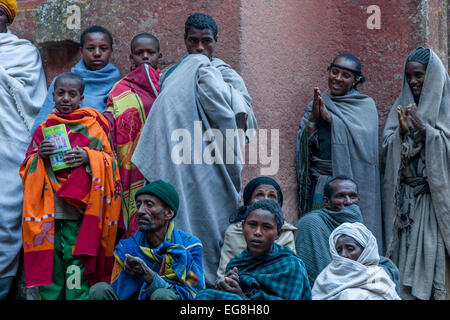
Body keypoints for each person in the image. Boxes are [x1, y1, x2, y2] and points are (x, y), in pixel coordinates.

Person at [132, 13, 257, 288]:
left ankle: (212, 283)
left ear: (216, 41)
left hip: (216, 167)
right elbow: (165, 116)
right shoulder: (171, 76)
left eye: (206, 42)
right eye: (194, 41)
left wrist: (209, 77)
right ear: (185, 41)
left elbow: (242, 116)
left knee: (214, 224)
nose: (200, 49)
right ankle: (179, 284)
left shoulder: (228, 75)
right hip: (176, 164)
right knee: (178, 219)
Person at [20, 72, 121, 299]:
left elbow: (111, 164)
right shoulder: (43, 129)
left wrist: (89, 158)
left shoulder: (93, 127)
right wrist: (40, 156)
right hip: (49, 214)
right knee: (52, 268)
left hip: (80, 213)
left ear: (81, 98)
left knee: (77, 265)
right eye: (61, 93)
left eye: (72, 94)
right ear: (53, 96)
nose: (66, 99)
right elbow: (26, 168)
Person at [381, 47, 450, 300]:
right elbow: (387, 148)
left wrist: (425, 131)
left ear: (432, 77)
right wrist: (400, 134)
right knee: (402, 259)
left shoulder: (447, 108)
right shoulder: (400, 108)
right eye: (409, 76)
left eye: (419, 75)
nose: (413, 81)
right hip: (404, 206)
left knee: (433, 259)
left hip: (433, 205)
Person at [296, 53, 383, 250]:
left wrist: (331, 121)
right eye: (334, 72)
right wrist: (313, 120)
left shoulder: (365, 106)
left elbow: (365, 149)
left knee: (352, 240)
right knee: (322, 238)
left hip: (350, 190)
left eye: (345, 75)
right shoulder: (317, 104)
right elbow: (306, 149)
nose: (337, 78)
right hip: (322, 185)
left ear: (355, 81)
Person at [0, 0, 47, 299]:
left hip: (9, 145)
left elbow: (33, 101)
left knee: (6, 217)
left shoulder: (24, 52)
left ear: (5, 16)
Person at [89, 180, 205, 300]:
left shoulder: (189, 246)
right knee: (99, 290)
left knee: (162, 295)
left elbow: (194, 291)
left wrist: (150, 276)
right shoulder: (127, 248)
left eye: (149, 205)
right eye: (138, 205)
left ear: (169, 213)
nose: (140, 211)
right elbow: (118, 290)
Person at [294, 176, 400, 291]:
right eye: (340, 196)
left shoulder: (356, 226)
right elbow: (326, 274)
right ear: (326, 202)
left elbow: (369, 259)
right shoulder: (312, 223)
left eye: (352, 196)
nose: (348, 202)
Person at [103, 33, 162, 237]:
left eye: (150, 53)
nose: (145, 57)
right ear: (131, 58)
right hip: (131, 166)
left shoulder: (168, 85)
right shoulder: (119, 89)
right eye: (139, 53)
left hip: (163, 162)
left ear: (159, 56)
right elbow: (109, 124)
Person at [196, 199, 311, 300]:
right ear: (243, 228)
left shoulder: (291, 266)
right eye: (252, 225)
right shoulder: (236, 263)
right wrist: (223, 287)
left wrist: (242, 296)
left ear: (278, 234)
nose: (257, 232)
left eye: (266, 227)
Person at [32, 25, 121, 133]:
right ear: (81, 51)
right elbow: (41, 126)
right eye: (90, 48)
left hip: (102, 146)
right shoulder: (63, 83)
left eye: (103, 48)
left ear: (111, 50)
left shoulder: (120, 86)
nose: (97, 53)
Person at [217, 176, 297, 279]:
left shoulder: (285, 232)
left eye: (272, 196)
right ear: (248, 204)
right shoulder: (234, 232)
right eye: (260, 194)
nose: (266, 199)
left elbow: (288, 274)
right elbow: (224, 275)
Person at [312, 222, 400, 300]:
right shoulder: (326, 276)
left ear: (365, 251)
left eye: (350, 249)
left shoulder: (376, 275)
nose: (343, 254)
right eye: (338, 250)